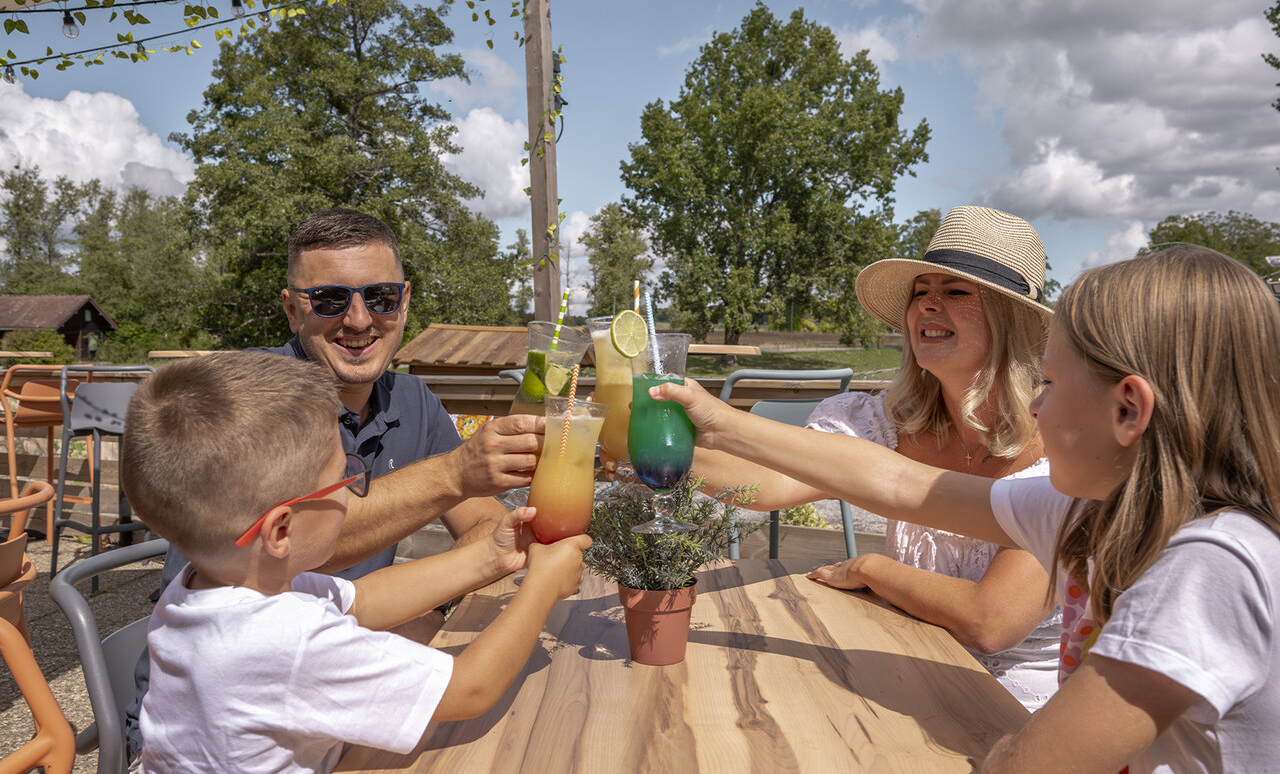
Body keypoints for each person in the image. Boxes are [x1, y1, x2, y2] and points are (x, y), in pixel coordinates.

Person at [656, 245, 1280, 772]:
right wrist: (712, 425)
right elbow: (899, 484)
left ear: (1128, 411)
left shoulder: (1207, 566)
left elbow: (1029, 764)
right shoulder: (1092, 508)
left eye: (1054, 384)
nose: (1038, 407)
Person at [126, 207, 541, 756]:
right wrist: (454, 474)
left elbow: (471, 532)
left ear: (405, 300)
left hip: (328, 690)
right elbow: (299, 550)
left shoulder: (412, 399)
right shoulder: (246, 410)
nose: (360, 320)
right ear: (292, 308)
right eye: (329, 300)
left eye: (382, 297)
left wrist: (436, 608)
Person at [122, 351, 589, 773]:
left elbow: (362, 599)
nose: (354, 488)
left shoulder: (210, 588)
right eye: (345, 479)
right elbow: (471, 689)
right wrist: (541, 587)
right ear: (281, 531)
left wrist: (490, 557)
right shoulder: (286, 642)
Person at [694, 205, 1061, 710]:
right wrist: (635, 446)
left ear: (1012, 319)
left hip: (1022, 715)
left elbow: (990, 622)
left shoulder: (1066, 449)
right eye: (919, 291)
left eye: (955, 291)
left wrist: (873, 569)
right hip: (907, 677)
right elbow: (767, 484)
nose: (927, 305)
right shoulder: (882, 421)